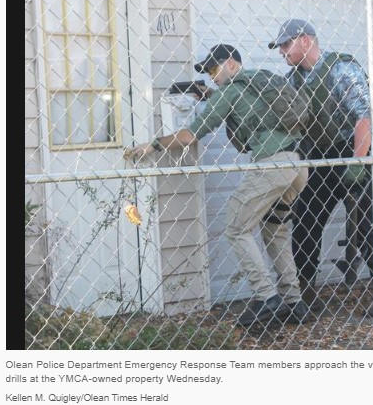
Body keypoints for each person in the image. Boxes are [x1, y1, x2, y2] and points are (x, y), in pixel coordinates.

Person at [127, 44, 312, 325]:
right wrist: (211, 96)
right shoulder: (258, 82)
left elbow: (190, 136)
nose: (212, 76)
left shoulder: (229, 91)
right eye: (208, 71)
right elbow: (247, 108)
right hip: (297, 165)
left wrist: (152, 146)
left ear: (231, 64)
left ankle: (266, 298)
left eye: (214, 69)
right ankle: (294, 302)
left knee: (236, 228)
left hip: (271, 165)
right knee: (276, 231)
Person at [269, 19, 373, 314]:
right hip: (321, 154)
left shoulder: (340, 69)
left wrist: (357, 163)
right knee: (305, 221)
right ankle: (302, 293)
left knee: (366, 223)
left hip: (357, 147)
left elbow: (364, 116)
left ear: (305, 40)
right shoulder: (294, 80)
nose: (281, 51)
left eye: (286, 44)